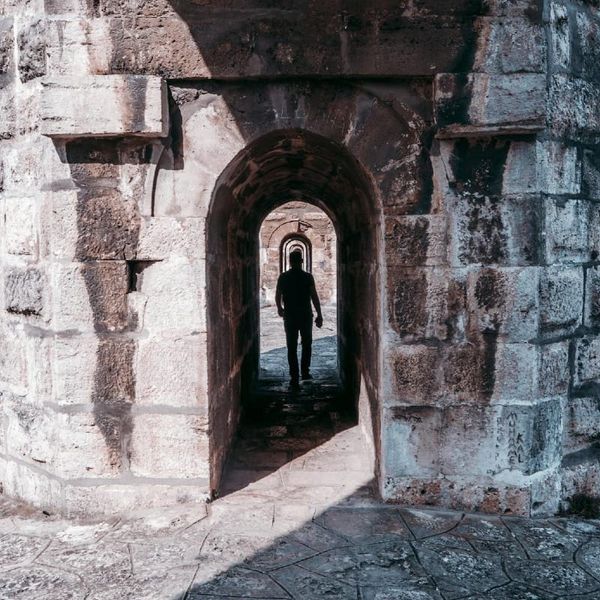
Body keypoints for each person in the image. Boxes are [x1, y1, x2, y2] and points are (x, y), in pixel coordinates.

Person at [276, 250, 323, 388]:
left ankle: (294, 375)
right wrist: (319, 314)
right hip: (305, 315)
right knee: (307, 344)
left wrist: (279, 308)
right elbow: (314, 296)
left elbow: (278, 295)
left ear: (290, 261)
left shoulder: (283, 277)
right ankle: (305, 371)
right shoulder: (307, 277)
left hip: (290, 315)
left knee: (291, 345)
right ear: (301, 261)